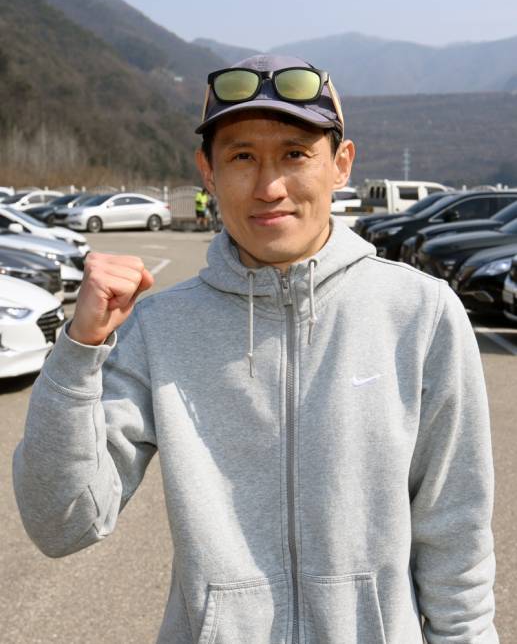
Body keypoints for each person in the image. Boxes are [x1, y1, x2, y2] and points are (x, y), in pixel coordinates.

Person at [13, 55, 499, 643]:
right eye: (242, 157)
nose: (270, 188)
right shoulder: (160, 329)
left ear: (341, 164)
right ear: (208, 172)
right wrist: (77, 352)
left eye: (295, 154)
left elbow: (456, 530)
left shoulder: (420, 312)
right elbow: (61, 523)